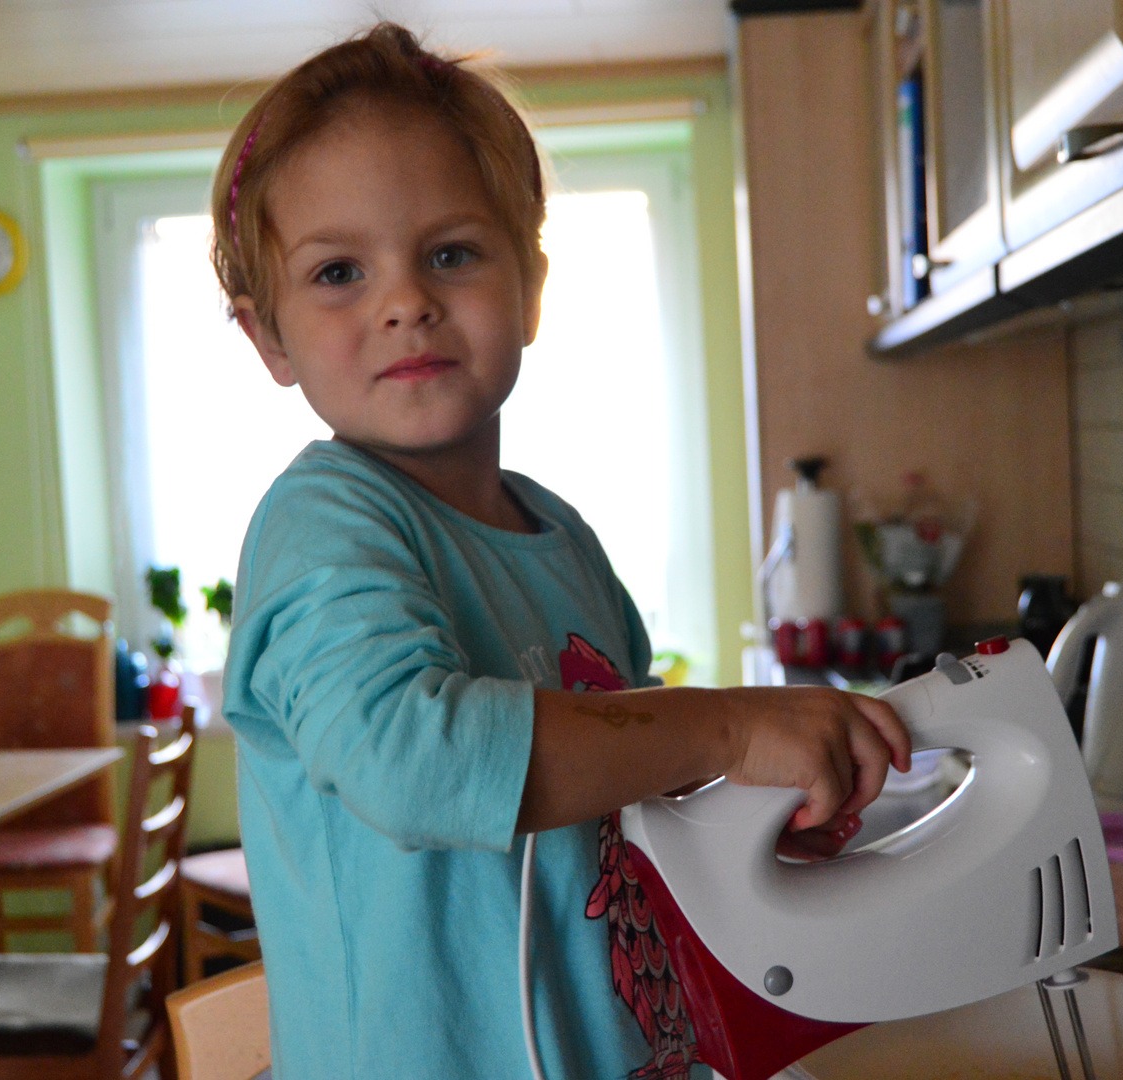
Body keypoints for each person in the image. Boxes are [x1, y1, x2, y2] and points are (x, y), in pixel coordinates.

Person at [213, 23, 911, 1080]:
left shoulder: (561, 538)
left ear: (531, 287)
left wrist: (742, 811)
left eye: (451, 253)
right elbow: (412, 760)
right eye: (339, 272)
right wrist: (725, 725)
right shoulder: (326, 522)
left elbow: (621, 795)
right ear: (268, 337)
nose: (405, 300)